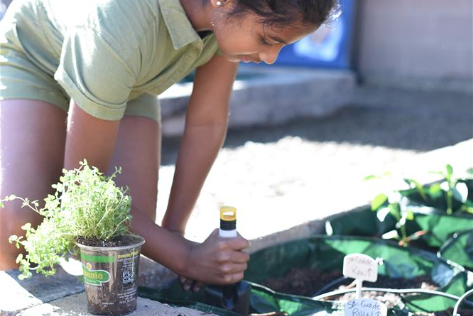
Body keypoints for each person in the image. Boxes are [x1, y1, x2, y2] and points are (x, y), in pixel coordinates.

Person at [0, 0, 337, 289]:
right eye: (267, 39)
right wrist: (187, 259)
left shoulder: (228, 20)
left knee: (122, 245)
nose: (271, 57)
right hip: (36, 59)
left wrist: (175, 234)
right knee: (19, 226)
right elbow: (84, 190)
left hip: (126, 84)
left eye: (281, 46)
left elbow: (207, 123)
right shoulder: (117, 23)